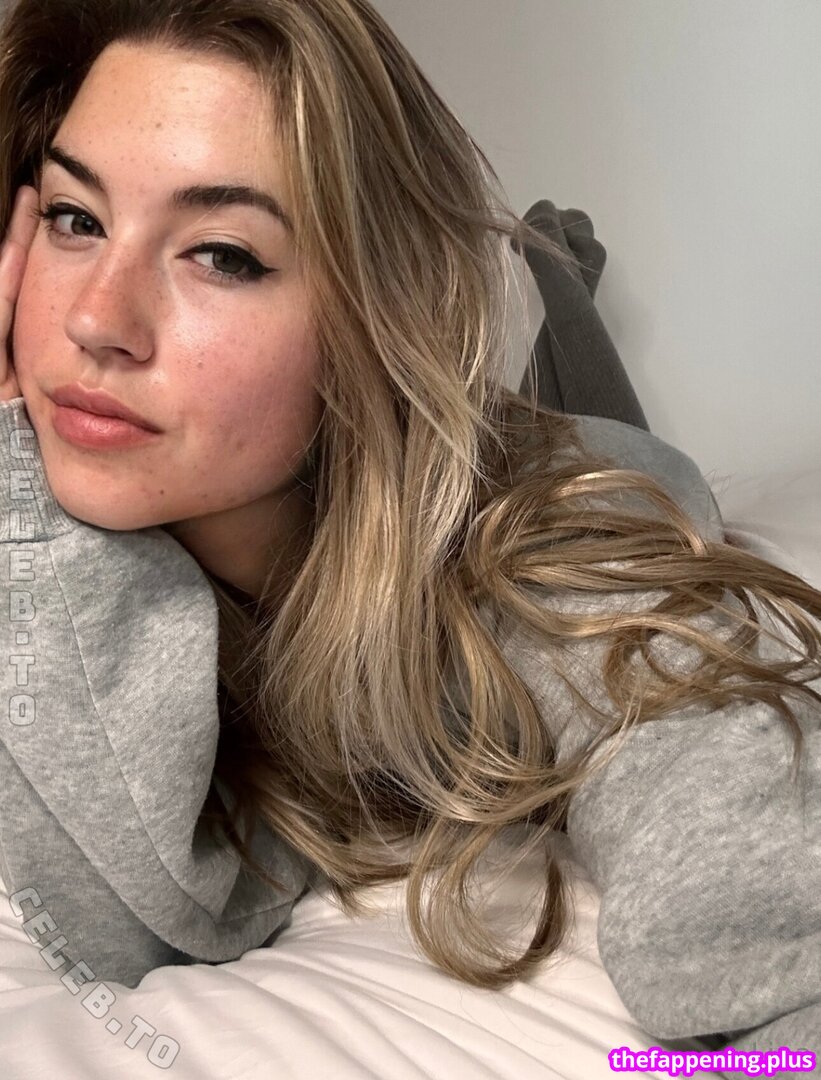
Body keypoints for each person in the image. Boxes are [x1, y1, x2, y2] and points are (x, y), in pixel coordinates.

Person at [0, 0, 819, 1064]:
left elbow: (758, 892)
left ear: (369, 315)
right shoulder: (80, 490)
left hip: (579, 461)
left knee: (575, 371)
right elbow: (122, 920)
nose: (94, 320)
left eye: (223, 254)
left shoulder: (553, 561)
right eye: (75, 219)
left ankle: (558, 261)